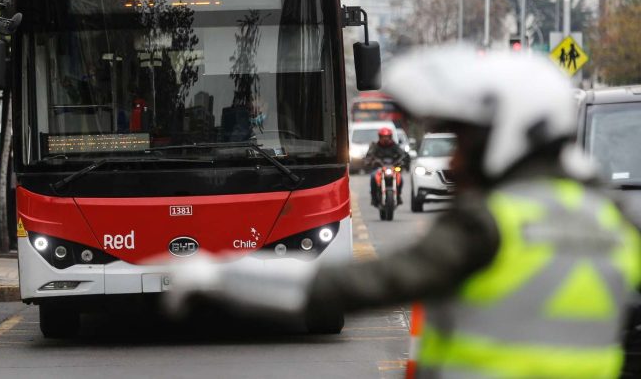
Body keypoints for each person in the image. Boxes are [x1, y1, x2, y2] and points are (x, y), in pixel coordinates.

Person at [166, 47, 641, 379]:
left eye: (467, 143)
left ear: (514, 132)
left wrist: (227, 277)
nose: (455, 161)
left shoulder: (493, 222)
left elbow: (373, 284)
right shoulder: (616, 220)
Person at [364, 127, 409, 206]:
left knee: (400, 178)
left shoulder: (394, 145)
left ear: (390, 137)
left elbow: (403, 155)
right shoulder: (375, 146)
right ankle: (374, 198)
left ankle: (398, 196)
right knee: (373, 176)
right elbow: (369, 156)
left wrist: (403, 161)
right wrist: (371, 161)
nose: (385, 139)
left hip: (393, 167)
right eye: (383, 137)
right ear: (380, 137)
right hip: (379, 168)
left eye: (387, 137)